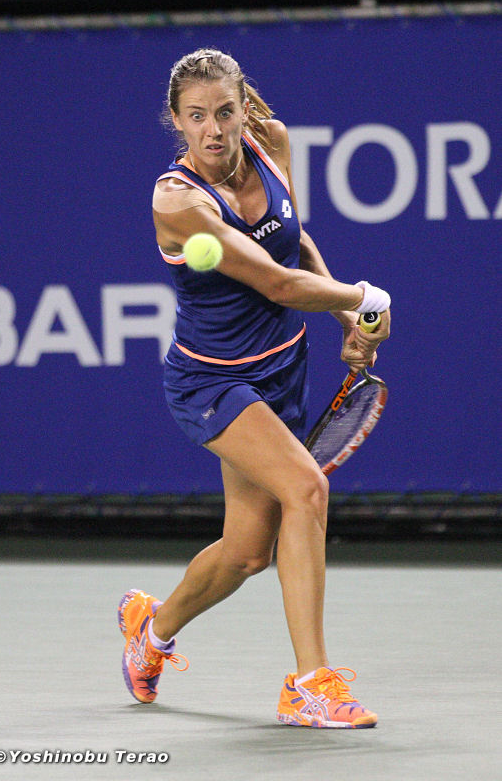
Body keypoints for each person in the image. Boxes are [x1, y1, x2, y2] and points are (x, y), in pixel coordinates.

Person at [118, 48, 391, 729]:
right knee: (307, 489)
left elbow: (293, 247)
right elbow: (273, 282)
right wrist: (363, 298)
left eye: (224, 111)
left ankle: (150, 631)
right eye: (196, 116)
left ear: (245, 107)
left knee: (245, 553)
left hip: (283, 369)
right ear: (176, 121)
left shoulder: (273, 144)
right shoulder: (177, 200)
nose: (212, 129)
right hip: (213, 380)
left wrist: (342, 315)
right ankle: (310, 685)